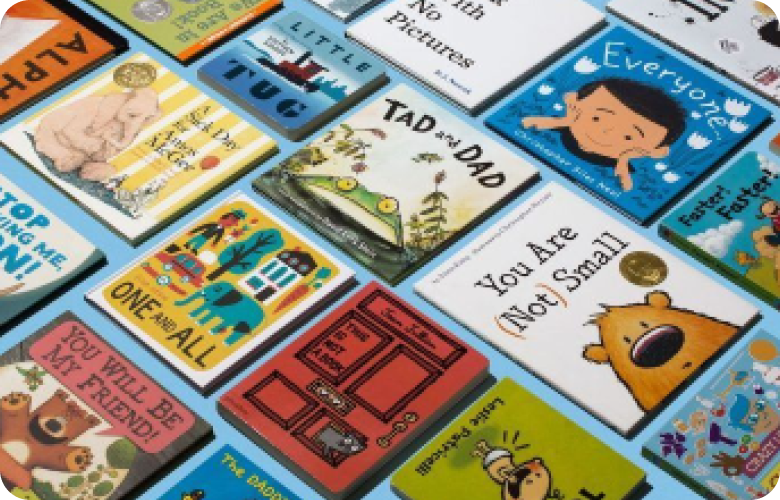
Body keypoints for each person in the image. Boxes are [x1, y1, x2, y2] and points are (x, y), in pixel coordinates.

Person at [523, 78, 687, 192]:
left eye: (628, 137)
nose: (606, 132)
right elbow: (521, 124)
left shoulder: (625, 174)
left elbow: (627, 192)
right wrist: (561, 121)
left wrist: (623, 161)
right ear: (572, 102)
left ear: (658, 151)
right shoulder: (545, 128)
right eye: (597, 118)